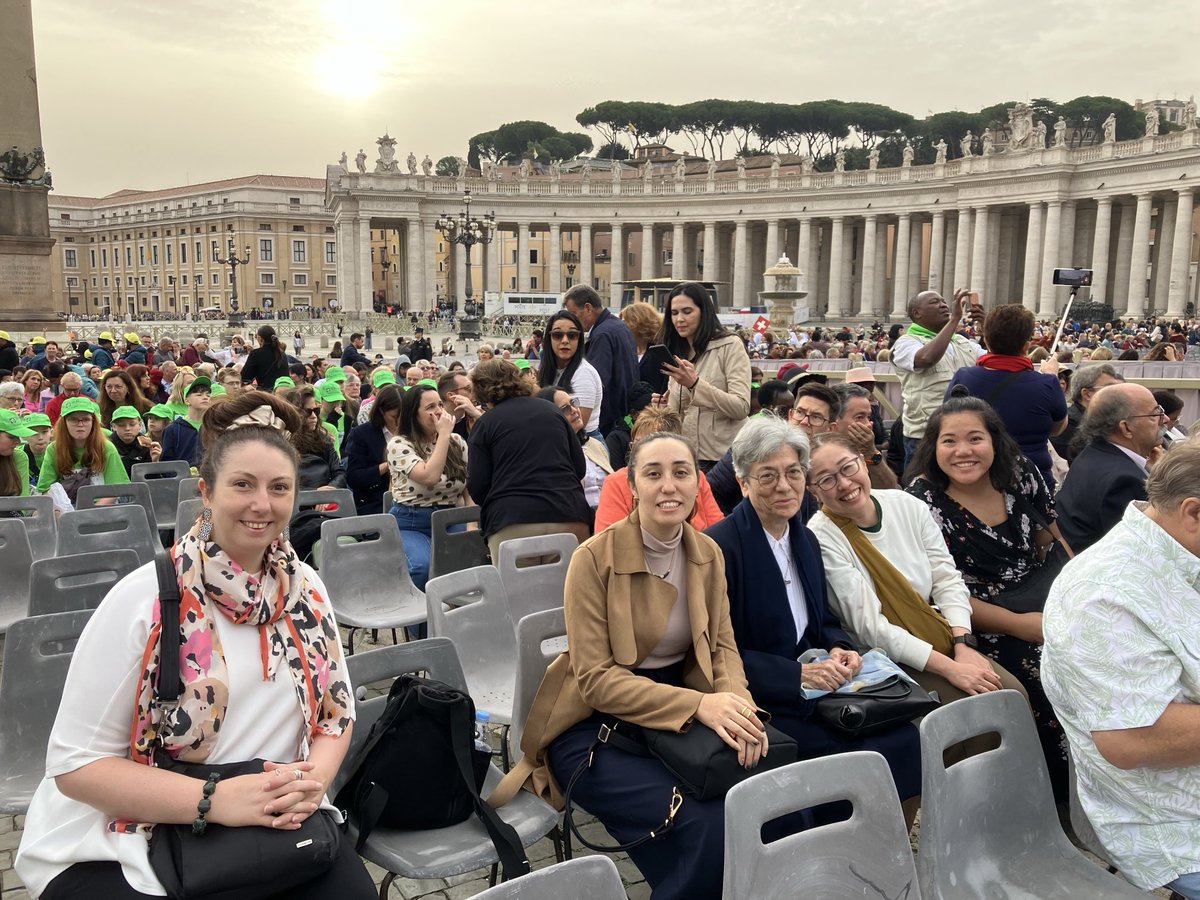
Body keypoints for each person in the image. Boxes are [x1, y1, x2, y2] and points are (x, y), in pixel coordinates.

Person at [15, 391, 375, 900]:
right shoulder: (145, 599)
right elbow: (75, 765)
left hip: (270, 815)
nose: (262, 504)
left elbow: (336, 715)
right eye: (242, 484)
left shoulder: (307, 590)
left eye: (279, 488)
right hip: (139, 828)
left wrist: (307, 786)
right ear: (206, 492)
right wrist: (216, 800)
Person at [491, 431, 767, 900]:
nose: (669, 486)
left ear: (697, 484)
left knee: (756, 800)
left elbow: (723, 647)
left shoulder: (707, 554)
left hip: (678, 717)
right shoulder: (593, 559)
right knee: (705, 823)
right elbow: (597, 682)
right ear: (633, 485)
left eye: (681, 473)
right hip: (594, 726)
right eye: (653, 474)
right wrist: (701, 704)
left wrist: (739, 707)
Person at [705, 417, 922, 820]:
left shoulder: (802, 537)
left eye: (792, 473)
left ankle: (885, 845)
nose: (784, 486)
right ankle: (833, 857)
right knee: (852, 757)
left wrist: (841, 646)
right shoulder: (720, 547)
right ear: (743, 482)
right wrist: (796, 676)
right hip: (767, 694)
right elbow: (719, 650)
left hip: (821, 682)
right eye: (767, 476)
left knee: (907, 738)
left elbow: (820, 620)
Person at [1042, 441, 1200, 898]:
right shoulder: (1104, 595)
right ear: (1192, 512)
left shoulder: (1178, 552)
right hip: (1174, 826)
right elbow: (1133, 737)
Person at [805, 433, 1026, 755]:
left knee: (1012, 695)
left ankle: (1010, 799)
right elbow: (871, 627)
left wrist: (963, 645)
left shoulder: (906, 505)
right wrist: (950, 668)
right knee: (970, 716)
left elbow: (947, 579)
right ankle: (958, 803)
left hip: (939, 635)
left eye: (847, 468)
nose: (843, 484)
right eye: (826, 480)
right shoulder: (823, 537)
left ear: (863, 461)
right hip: (882, 657)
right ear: (812, 490)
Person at [906, 396, 1071, 799]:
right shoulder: (920, 502)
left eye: (975, 438)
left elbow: (1054, 536)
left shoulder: (1019, 474)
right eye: (949, 441)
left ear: (995, 441)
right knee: (1046, 679)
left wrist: (1078, 596)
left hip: (1044, 599)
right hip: (979, 622)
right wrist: (1026, 626)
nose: (963, 451)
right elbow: (940, 591)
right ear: (934, 447)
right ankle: (1048, 799)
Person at [466, 359, 591, 559]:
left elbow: (478, 485)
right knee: (572, 589)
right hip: (569, 513)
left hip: (512, 522)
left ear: (480, 390)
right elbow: (579, 468)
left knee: (517, 590)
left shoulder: (485, 425)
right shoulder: (552, 411)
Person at [946, 305, 1068, 487]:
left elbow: (948, 419)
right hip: (1031, 481)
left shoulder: (963, 377)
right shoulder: (1047, 384)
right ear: (1027, 345)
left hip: (979, 478)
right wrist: (1050, 375)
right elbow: (1057, 428)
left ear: (986, 341)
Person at [1056, 383, 1166, 553]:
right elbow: (1141, 552)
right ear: (1126, 428)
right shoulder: (1124, 480)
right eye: (1155, 413)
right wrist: (1165, 479)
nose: (1164, 419)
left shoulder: (1094, 453)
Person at [654, 282, 751, 470]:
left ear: (703, 312)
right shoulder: (677, 352)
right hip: (685, 455)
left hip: (723, 457)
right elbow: (681, 413)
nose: (679, 319)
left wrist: (695, 384)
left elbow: (741, 407)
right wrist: (665, 406)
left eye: (687, 311)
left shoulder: (730, 345)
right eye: (674, 313)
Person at [706, 382, 839, 517]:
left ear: (831, 429)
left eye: (816, 417)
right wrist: (732, 526)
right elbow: (711, 488)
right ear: (791, 414)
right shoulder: (756, 442)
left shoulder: (832, 462)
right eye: (800, 412)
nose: (804, 421)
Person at [387, 383, 470, 590]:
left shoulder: (457, 442)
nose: (439, 411)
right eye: (430, 407)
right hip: (412, 520)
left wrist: (472, 522)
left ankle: (456, 617)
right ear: (413, 414)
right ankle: (420, 621)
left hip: (450, 517)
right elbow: (429, 476)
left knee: (470, 560)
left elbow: (468, 486)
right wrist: (443, 436)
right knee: (422, 567)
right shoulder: (399, 444)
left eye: (440, 404)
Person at [891, 288, 983, 466]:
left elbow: (994, 360)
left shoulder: (961, 342)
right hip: (926, 437)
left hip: (965, 434)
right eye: (934, 302)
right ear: (917, 313)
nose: (943, 305)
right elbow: (926, 358)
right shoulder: (906, 343)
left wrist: (986, 325)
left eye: (943, 301)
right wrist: (955, 319)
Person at [595, 405, 724, 533]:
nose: (668, 487)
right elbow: (609, 544)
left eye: (680, 473)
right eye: (637, 445)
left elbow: (719, 534)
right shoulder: (616, 482)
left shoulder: (696, 477)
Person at [563, 285, 639, 435]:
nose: (572, 320)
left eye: (574, 313)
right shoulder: (620, 326)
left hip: (608, 421)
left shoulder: (601, 335)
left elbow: (597, 381)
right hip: (624, 414)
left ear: (588, 308)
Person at [35, 397, 129, 512]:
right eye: (73, 419)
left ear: (93, 422)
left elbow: (115, 489)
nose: (80, 424)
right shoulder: (53, 449)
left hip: (102, 509)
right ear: (64, 422)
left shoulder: (107, 447)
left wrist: (89, 513)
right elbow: (45, 489)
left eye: (85, 419)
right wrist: (61, 512)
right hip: (66, 510)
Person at [536, 386, 612, 516]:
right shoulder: (549, 455)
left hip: (610, 513)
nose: (574, 410)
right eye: (565, 409)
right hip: (578, 518)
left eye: (573, 403)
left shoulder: (595, 445)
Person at [537, 309, 604, 438]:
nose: (565, 340)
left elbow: (577, 426)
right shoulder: (548, 369)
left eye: (572, 335)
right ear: (549, 339)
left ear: (579, 340)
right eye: (558, 335)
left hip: (583, 442)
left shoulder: (584, 374)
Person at [344, 384, 403, 516]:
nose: (400, 422)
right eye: (394, 417)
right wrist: (387, 465)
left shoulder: (412, 431)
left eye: (403, 417)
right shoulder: (362, 434)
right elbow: (354, 477)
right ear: (381, 411)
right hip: (375, 502)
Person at [1050, 362, 1125, 463]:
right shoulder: (1068, 426)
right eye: (1109, 388)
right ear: (1087, 394)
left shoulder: (1107, 421)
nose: (1118, 394)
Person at [830, 382, 898, 489]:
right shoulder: (817, 453)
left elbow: (890, 490)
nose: (868, 424)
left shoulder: (863, 451)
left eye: (869, 417)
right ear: (835, 420)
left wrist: (871, 452)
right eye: (860, 417)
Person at [287, 387, 347, 491]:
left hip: (325, 498)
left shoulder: (324, 439)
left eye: (316, 410)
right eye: (307, 412)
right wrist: (314, 494)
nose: (313, 416)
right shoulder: (283, 442)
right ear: (294, 413)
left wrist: (330, 488)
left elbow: (339, 473)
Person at [160, 376, 212, 468]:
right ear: (187, 401)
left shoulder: (213, 427)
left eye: (208, 395)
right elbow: (166, 462)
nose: (205, 398)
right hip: (181, 481)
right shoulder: (173, 429)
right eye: (199, 395)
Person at [620, 301, 668, 395]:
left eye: (625, 322)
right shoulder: (628, 351)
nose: (622, 326)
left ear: (639, 323)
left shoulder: (659, 353)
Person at [108, 406, 161, 477]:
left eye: (132, 424)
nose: (127, 428)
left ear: (140, 425)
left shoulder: (147, 445)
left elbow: (153, 479)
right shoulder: (107, 445)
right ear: (113, 426)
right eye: (121, 425)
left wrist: (154, 462)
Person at [239, 324, 290, 391]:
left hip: (266, 393)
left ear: (260, 338)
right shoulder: (281, 353)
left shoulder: (256, 354)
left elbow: (245, 376)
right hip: (283, 390)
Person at [0, 409, 35, 498]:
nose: (18, 442)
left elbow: (22, 502)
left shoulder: (19, 457)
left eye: (18, 437)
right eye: (11, 437)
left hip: (12, 510)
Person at [21, 412, 52, 488]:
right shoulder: (17, 455)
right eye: (33, 433)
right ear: (23, 435)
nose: (40, 437)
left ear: (52, 432)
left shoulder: (59, 452)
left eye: (44, 432)